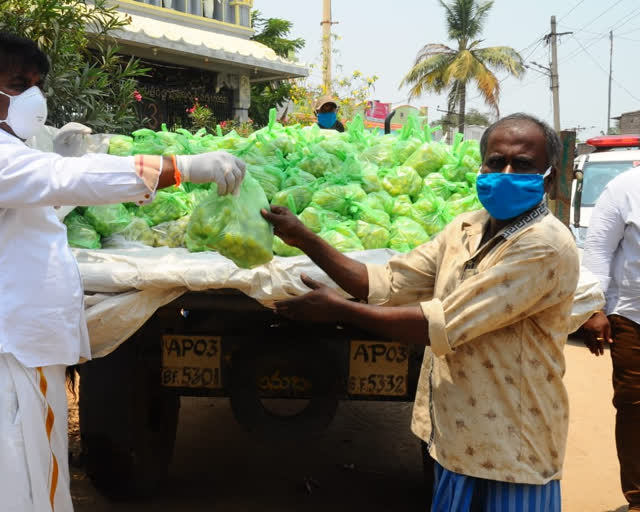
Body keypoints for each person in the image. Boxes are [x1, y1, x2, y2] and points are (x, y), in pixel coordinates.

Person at [0, 31, 245, 512]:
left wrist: (80, 164)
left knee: (34, 495)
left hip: (21, 352)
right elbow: (57, 179)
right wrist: (177, 167)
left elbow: (51, 193)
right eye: (17, 82)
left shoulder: (8, 157)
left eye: (36, 83)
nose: (32, 95)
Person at [262, 113, 578, 511]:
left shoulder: (544, 245)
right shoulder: (466, 227)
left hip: (512, 445)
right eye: (496, 163)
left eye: (523, 165)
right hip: (456, 437)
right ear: (481, 167)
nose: (507, 172)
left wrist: (339, 311)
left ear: (548, 178)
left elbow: (439, 324)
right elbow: (384, 282)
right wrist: (304, 237)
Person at [581, 165, 640, 511]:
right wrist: (593, 309)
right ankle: (637, 498)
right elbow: (598, 252)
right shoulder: (626, 187)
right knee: (635, 409)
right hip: (633, 317)